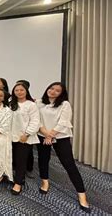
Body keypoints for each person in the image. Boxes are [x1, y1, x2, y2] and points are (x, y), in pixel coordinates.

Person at [36, 82, 90, 212]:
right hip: (42, 135)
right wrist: (46, 134)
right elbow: (36, 120)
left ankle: (82, 195)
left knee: (69, 165)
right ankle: (45, 182)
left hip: (60, 137)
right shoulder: (39, 103)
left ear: (61, 93)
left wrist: (51, 135)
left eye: (57, 90)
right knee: (43, 160)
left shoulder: (64, 104)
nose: (53, 91)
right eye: (51, 88)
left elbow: (64, 122)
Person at [9, 82, 40, 195]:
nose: (19, 92)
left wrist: (27, 134)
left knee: (21, 160)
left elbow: (35, 121)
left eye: (21, 90)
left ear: (26, 91)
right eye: (16, 90)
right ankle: (16, 177)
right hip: (11, 136)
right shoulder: (11, 103)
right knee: (14, 159)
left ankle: (18, 183)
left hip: (24, 137)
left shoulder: (31, 105)